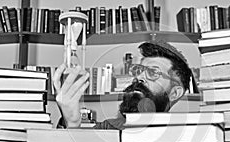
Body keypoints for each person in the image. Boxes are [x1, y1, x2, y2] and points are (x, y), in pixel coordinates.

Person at [53, 40, 193, 130]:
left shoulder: (185, 136)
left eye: (152, 72)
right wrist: (71, 123)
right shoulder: (107, 128)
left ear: (175, 93)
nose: (138, 78)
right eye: (138, 70)